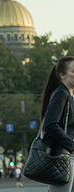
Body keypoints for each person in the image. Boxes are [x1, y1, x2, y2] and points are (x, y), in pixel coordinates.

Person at [40, 56, 74, 192]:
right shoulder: (61, 94)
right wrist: (71, 145)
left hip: (68, 155)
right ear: (62, 75)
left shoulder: (68, 95)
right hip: (64, 157)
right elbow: (50, 124)